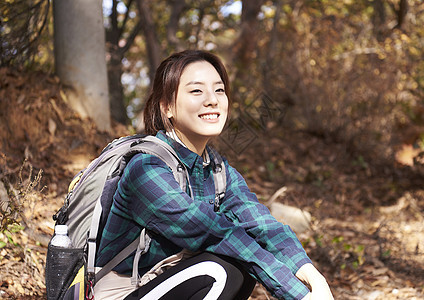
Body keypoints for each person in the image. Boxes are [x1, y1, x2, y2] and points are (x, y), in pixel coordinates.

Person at [95, 50, 334, 300]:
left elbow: (264, 226)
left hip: (164, 285)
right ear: (167, 107)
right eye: (196, 91)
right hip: (121, 293)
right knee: (220, 270)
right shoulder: (146, 169)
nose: (212, 100)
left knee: (240, 267)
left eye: (219, 90)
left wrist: (312, 276)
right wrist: (299, 295)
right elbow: (212, 231)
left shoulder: (218, 171)